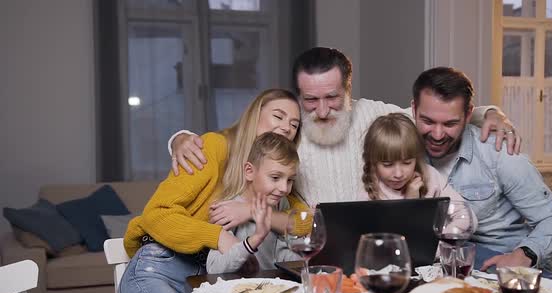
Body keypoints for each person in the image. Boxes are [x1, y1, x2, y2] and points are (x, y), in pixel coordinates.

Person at [169, 47, 520, 211]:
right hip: (310, 246)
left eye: (332, 98)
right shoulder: (289, 127)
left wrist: (490, 113)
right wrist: (179, 138)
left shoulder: (376, 114)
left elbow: (434, 115)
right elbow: (233, 137)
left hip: (373, 245)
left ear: (349, 90)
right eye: (311, 99)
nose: (321, 111)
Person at [119, 89, 306, 293]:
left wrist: (250, 210)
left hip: (206, 283)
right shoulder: (215, 147)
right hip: (159, 270)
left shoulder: (275, 179)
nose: (286, 128)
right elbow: (157, 213)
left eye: (294, 124)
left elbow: (306, 223)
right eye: (278, 116)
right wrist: (218, 236)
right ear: (253, 117)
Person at [410, 67, 552, 272]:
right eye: (427, 121)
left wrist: (525, 254)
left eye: (450, 123)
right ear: (414, 110)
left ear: (468, 114)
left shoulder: (499, 153)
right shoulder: (403, 153)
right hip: (439, 269)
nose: (438, 134)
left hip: (502, 267)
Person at [207, 132, 301, 273]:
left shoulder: (281, 203)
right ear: (249, 171)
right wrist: (254, 240)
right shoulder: (227, 209)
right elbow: (214, 268)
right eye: (275, 177)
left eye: (290, 180)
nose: (284, 189)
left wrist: (308, 254)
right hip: (238, 290)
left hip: (272, 287)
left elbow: (280, 255)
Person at [359, 112, 463, 202]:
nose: (398, 174)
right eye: (388, 165)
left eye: (407, 162)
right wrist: (410, 201)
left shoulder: (432, 177)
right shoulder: (368, 195)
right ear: (373, 162)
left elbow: (466, 216)